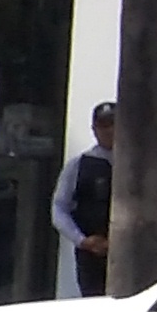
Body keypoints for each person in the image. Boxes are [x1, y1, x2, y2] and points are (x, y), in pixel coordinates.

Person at [52, 101, 117, 300]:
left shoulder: (141, 164)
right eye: (103, 125)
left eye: (113, 124)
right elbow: (59, 207)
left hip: (132, 255)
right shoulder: (80, 165)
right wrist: (82, 240)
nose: (109, 131)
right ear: (94, 129)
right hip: (93, 253)